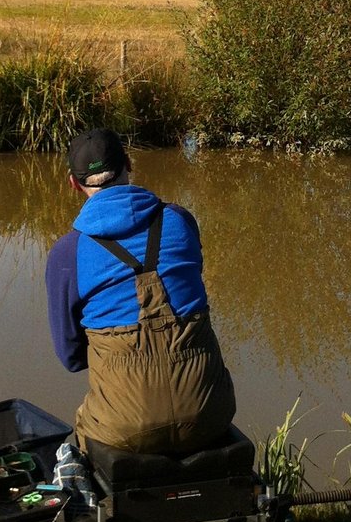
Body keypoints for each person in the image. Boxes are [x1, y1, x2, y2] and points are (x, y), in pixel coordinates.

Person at [45, 127, 236, 455]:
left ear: (73, 184)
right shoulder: (180, 220)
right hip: (211, 411)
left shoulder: (67, 253)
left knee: (69, 444)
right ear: (129, 164)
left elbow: (71, 357)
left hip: (122, 428)